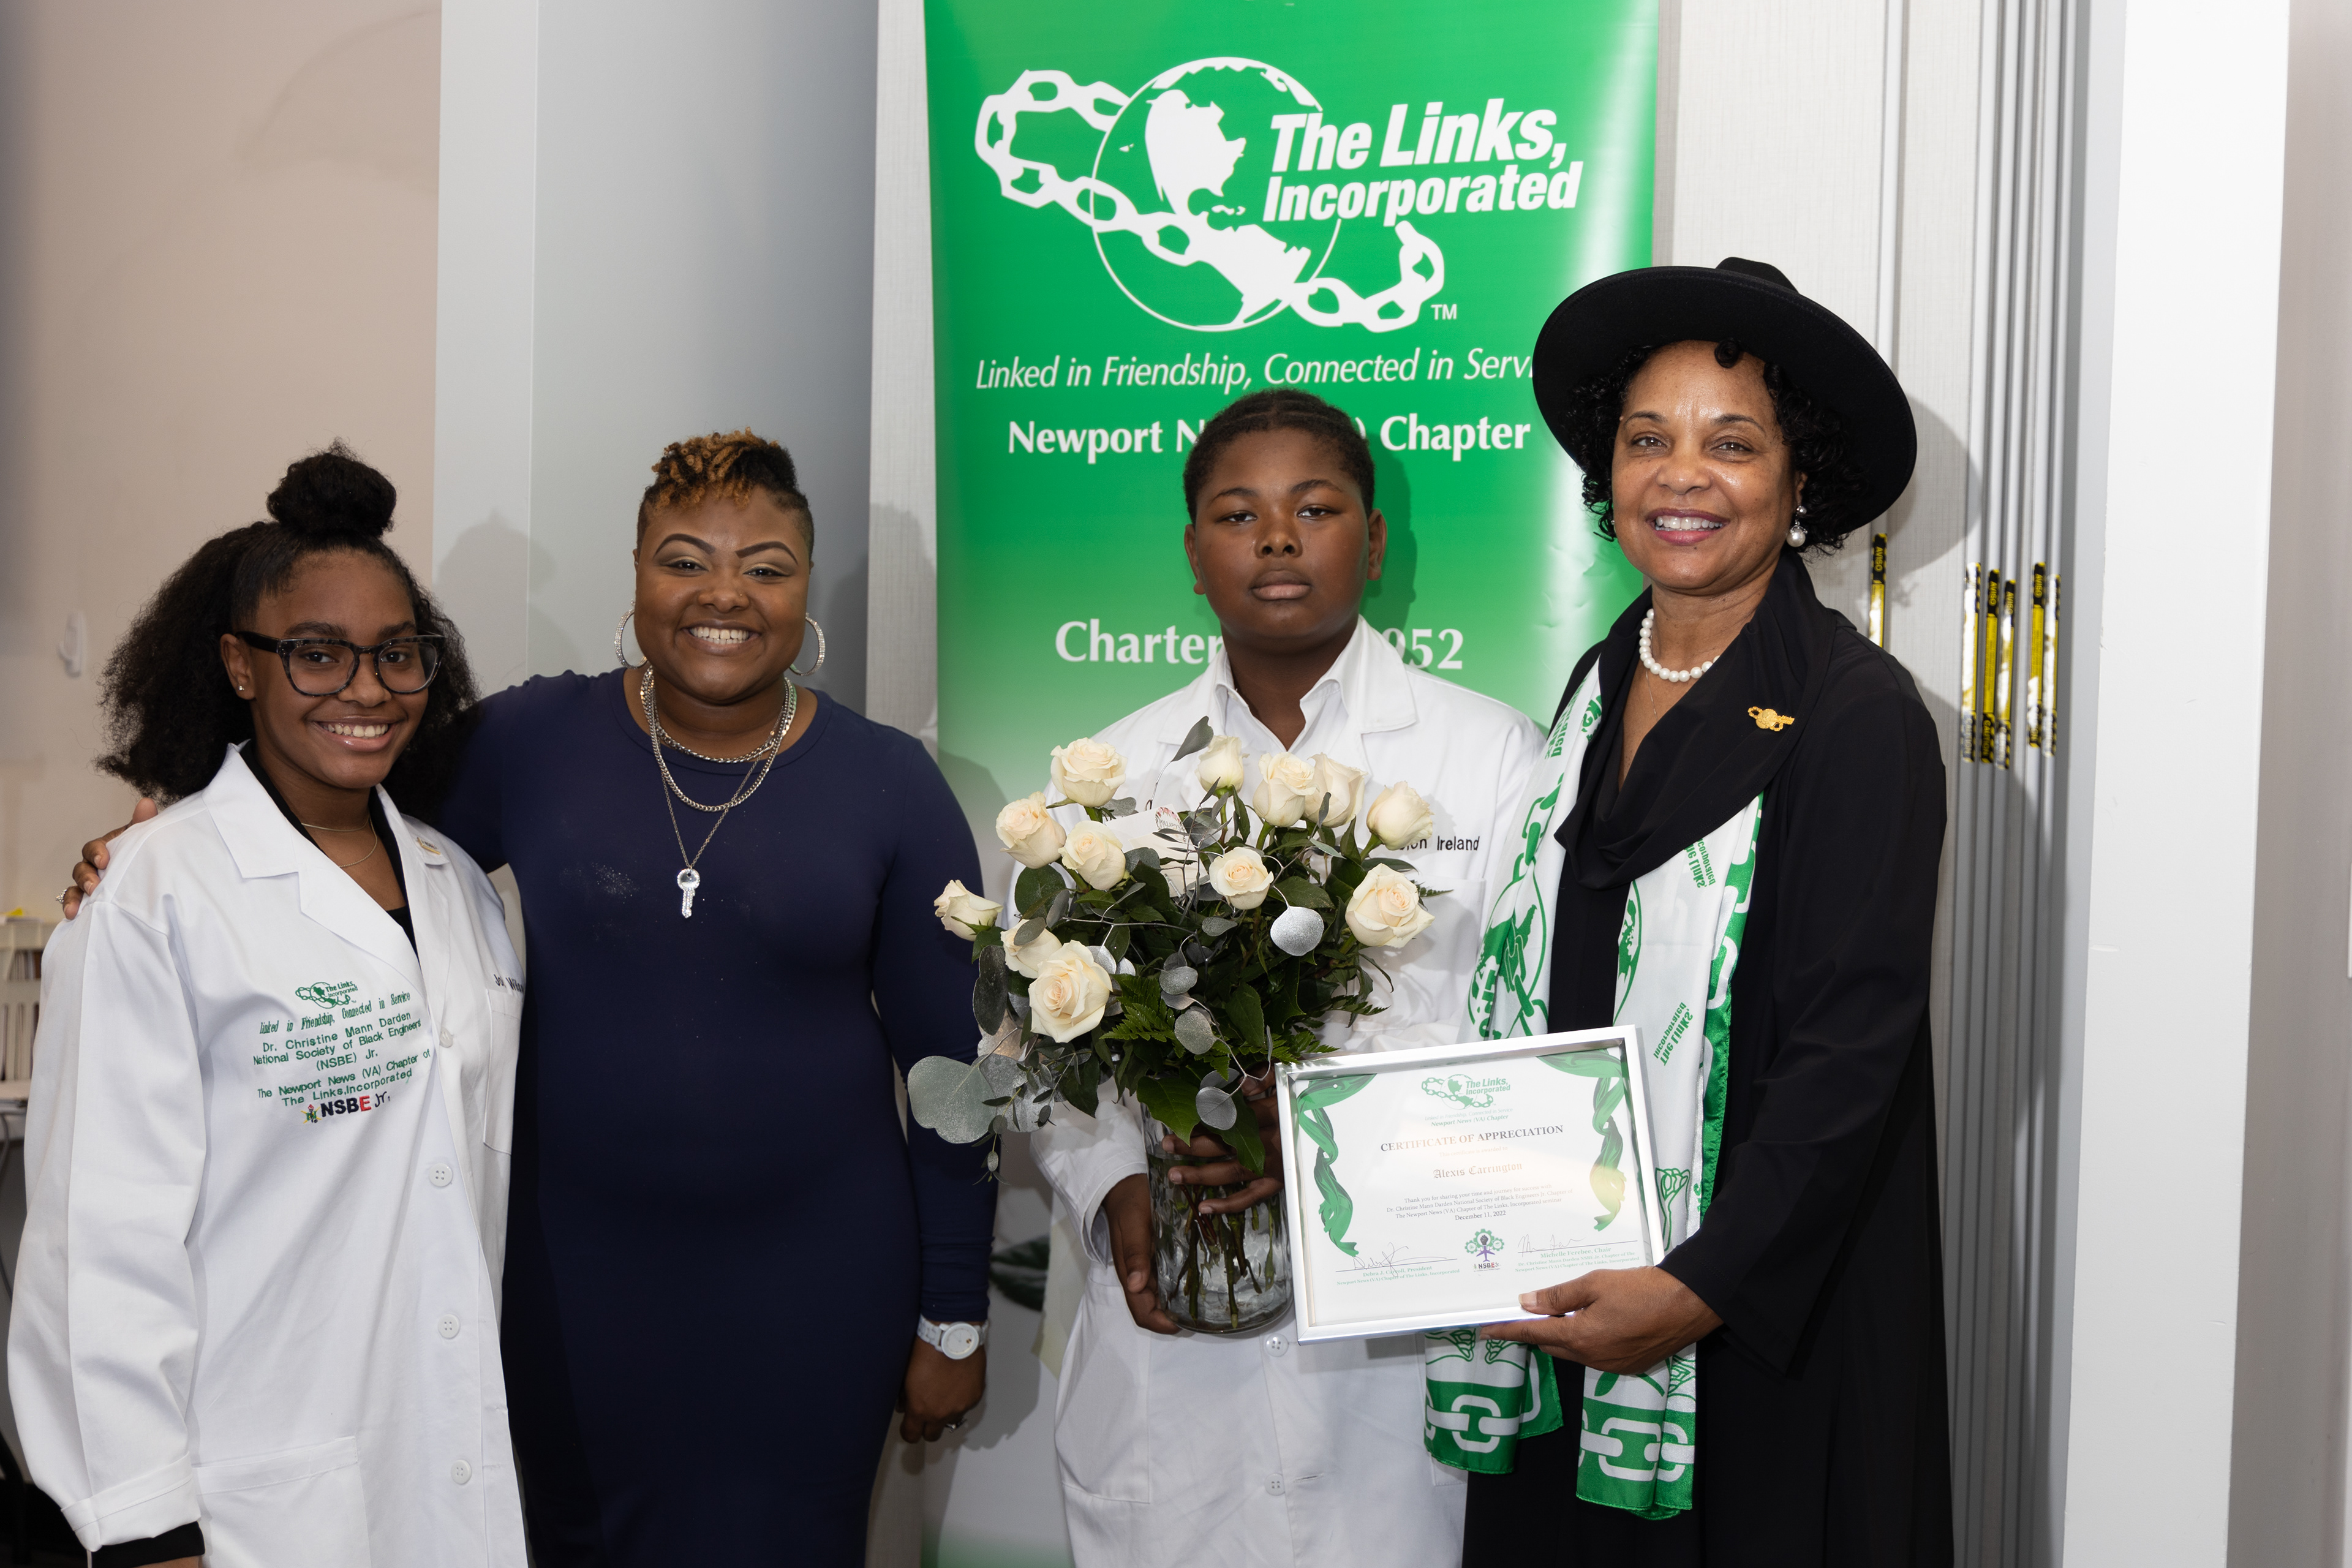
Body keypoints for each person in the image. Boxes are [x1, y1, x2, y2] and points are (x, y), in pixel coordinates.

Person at [64, 431, 996, 1566]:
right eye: (684, 558)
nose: (724, 595)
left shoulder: (892, 784)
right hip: (565, 1290)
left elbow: (957, 1079)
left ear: (806, 590)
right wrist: (166, 832)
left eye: (767, 567)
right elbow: (338, 811)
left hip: (815, 1291)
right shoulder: (529, 740)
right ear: (637, 573)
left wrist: (952, 1313)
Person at [1452, 259, 1951, 1565]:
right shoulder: (1596, 680)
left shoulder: (1858, 716)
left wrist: (1696, 1287)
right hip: (1573, 1287)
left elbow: (1853, 1056)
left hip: (1751, 1319)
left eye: (1732, 444)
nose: (1682, 477)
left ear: (1800, 486)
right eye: (1648, 439)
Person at [1028, 388, 1543, 1567]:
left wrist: (1312, 1130)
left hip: (1392, 1314)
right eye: (1236, 513)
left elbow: (1517, 1025)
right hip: (1174, 1321)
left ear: (1371, 542)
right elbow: (1043, 1048)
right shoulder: (1113, 784)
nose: (1275, 538)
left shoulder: (1489, 754)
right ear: (1194, 557)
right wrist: (1121, 1193)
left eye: (1315, 508)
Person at [12, 446, 528, 1567]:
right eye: (316, 653)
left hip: (442, 1465)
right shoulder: (154, 894)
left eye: (398, 654)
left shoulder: (458, 891)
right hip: (247, 1494)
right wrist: (145, 1525)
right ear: (240, 667)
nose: (367, 688)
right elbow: (96, 1243)